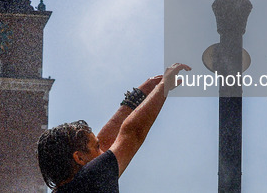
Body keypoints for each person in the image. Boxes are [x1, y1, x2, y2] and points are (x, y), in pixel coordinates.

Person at [37, 63, 191, 192]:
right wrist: (164, 85)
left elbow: (105, 142)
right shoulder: (92, 178)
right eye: (96, 148)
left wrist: (139, 94)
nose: (104, 151)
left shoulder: (68, 187)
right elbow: (133, 133)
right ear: (79, 157)